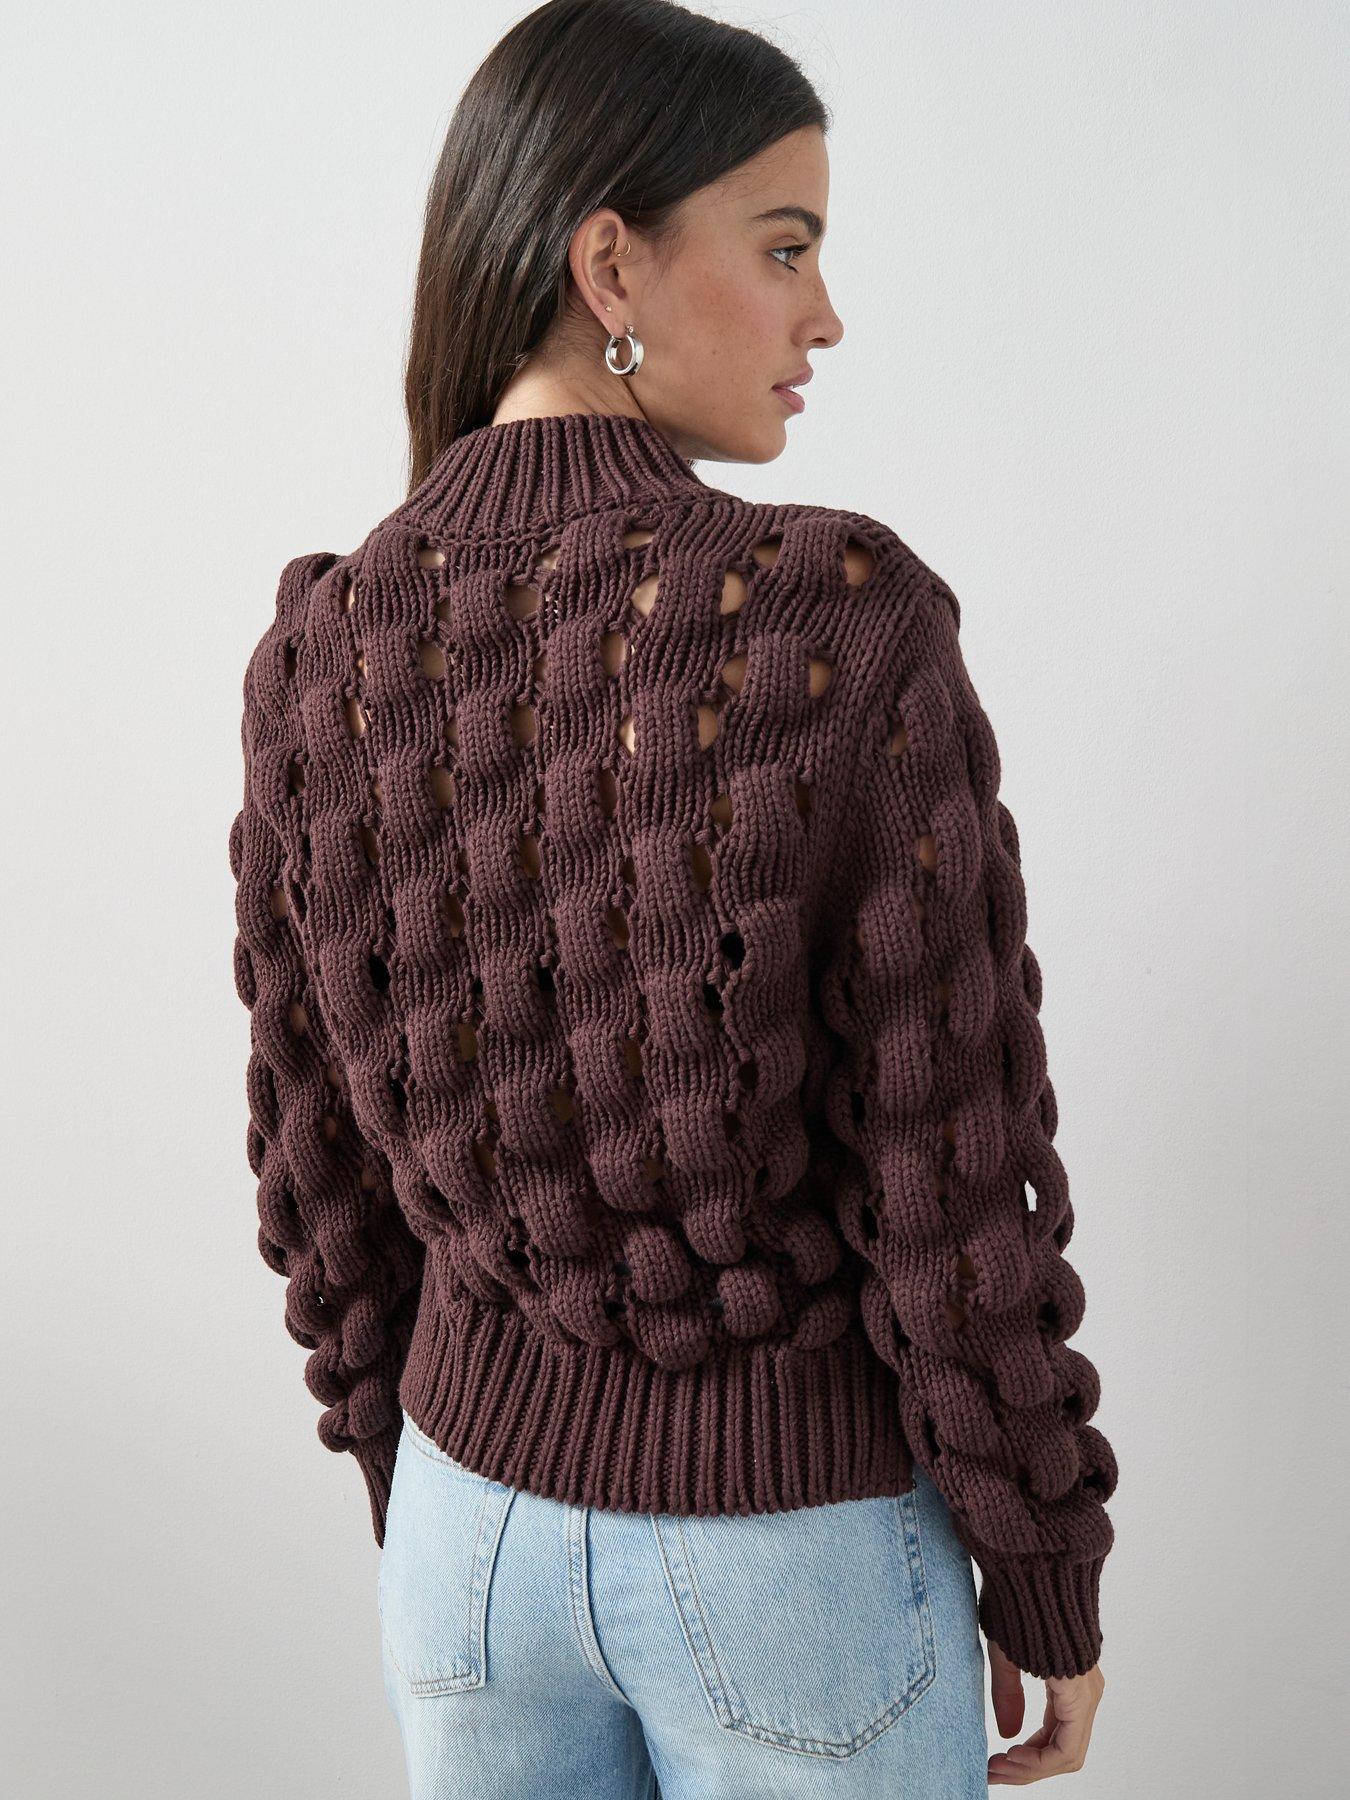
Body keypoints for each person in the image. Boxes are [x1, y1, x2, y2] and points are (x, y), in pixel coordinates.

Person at [228, 2, 1118, 1793]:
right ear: (609, 263)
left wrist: (421, 1494)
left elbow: (318, 1173)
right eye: (783, 247)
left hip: (462, 1545)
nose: (823, 315)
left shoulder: (324, 644)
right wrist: (1039, 1559)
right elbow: (944, 1167)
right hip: (780, 1549)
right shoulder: (826, 624)